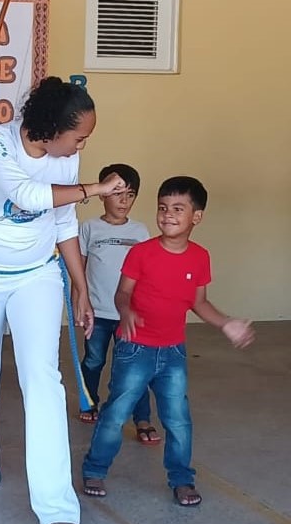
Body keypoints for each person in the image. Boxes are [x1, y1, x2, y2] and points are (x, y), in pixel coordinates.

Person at [0, 76, 128, 524]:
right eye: (79, 137)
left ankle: (55, 502)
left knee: (43, 381)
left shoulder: (66, 158)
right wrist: (97, 188)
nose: (82, 146)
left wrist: (81, 288)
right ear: (50, 128)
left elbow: (63, 220)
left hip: (36, 276)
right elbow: (27, 196)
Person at [82, 176, 254, 506]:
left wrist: (226, 323)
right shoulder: (141, 253)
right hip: (135, 349)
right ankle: (95, 469)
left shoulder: (200, 257)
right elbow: (122, 293)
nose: (168, 215)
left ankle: (182, 479)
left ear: (196, 216)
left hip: (173, 352)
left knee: (178, 419)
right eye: (163, 208)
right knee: (116, 413)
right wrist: (126, 311)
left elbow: (199, 302)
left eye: (178, 208)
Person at [78, 163, 161, 445]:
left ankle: (142, 419)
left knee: (134, 367)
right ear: (103, 194)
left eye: (130, 195)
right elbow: (80, 270)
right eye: (117, 193)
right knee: (94, 360)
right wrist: (80, 302)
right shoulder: (89, 228)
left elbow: (147, 273)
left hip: (130, 315)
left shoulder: (140, 231)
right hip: (98, 313)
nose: (124, 201)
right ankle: (89, 402)